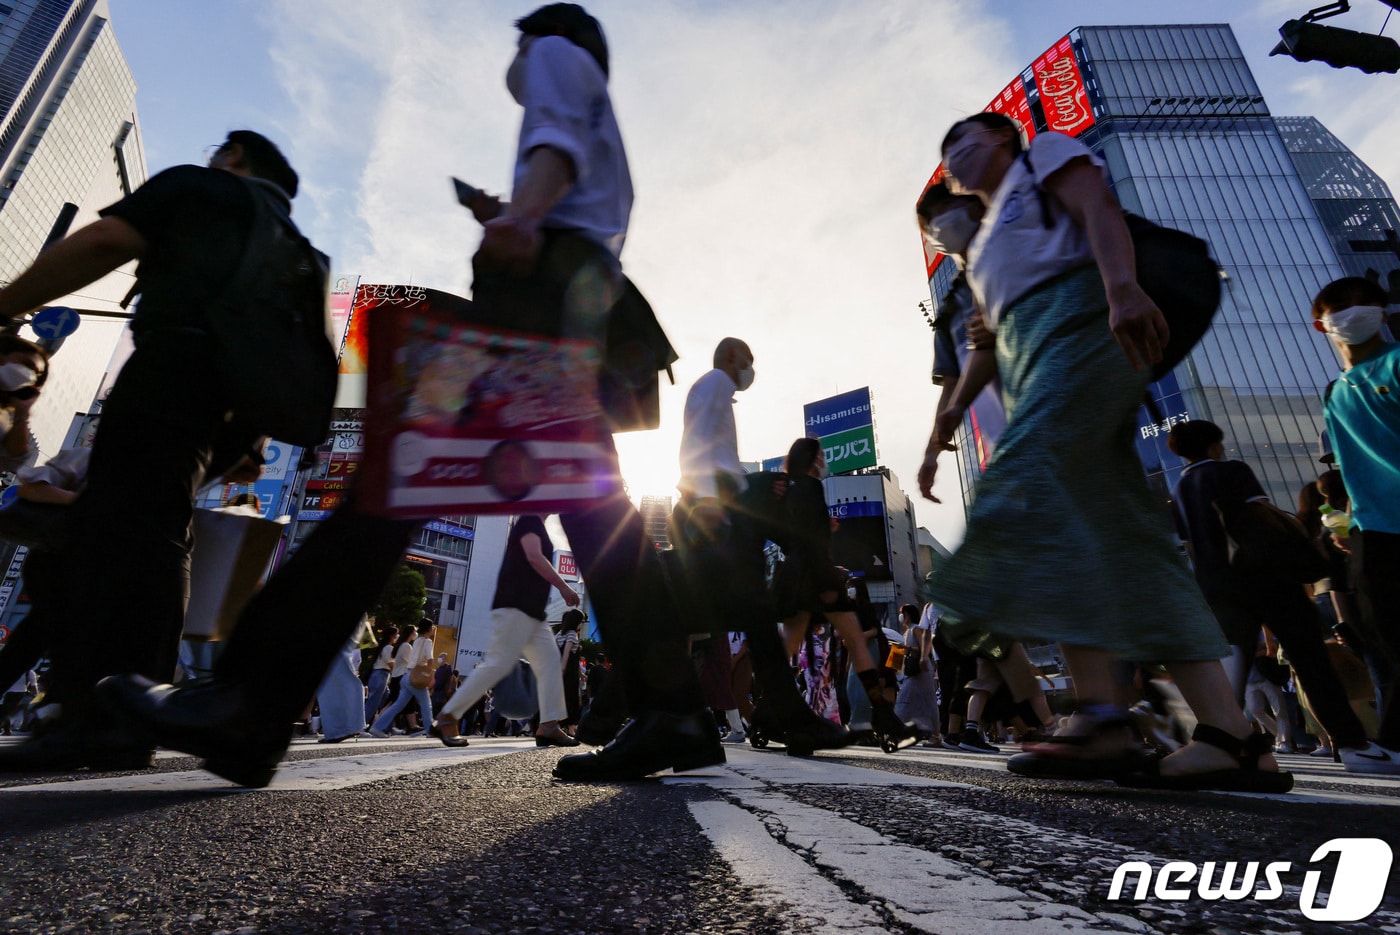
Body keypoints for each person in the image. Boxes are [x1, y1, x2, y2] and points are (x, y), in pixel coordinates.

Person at [97, 6, 707, 788]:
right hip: (574, 300)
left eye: (518, 39)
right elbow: (575, 179)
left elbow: (552, 142)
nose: (516, 54)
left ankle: (252, 698)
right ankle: (672, 705)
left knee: (403, 464)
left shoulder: (557, 52)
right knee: (588, 496)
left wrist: (519, 217)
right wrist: (514, 208)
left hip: (535, 296)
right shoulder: (599, 104)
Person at [919, 112, 1288, 792]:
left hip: (1084, 332)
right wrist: (943, 428)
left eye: (960, 143)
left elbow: (1100, 209)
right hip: (1034, 365)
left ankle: (1102, 719)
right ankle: (1230, 735)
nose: (953, 160)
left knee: (1033, 489)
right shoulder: (983, 248)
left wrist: (1122, 288)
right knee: (1122, 542)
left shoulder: (1044, 158)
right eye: (946, 157)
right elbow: (983, 345)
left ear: (1002, 138)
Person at [0, 130, 297, 773]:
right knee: (157, 529)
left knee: (123, 528)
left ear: (236, 158)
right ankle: (124, 706)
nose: (216, 155)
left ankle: (102, 712)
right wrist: (254, 437)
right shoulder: (296, 246)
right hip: (238, 413)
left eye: (223, 149)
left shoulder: (204, 185)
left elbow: (107, 241)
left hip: (173, 366)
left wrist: (6, 304)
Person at [669, 337, 850, 755]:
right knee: (702, 616)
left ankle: (790, 718)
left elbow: (720, 459)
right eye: (749, 360)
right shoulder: (715, 381)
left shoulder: (718, 391)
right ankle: (626, 714)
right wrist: (713, 500)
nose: (751, 370)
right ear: (733, 357)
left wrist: (752, 487)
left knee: (734, 614)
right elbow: (698, 446)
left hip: (712, 507)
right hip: (707, 511)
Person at [1166, 418, 1373, 767]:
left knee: (1232, 670)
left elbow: (1189, 544)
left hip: (1221, 588)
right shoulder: (1230, 469)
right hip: (1269, 579)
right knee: (1311, 662)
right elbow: (1261, 511)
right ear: (1214, 445)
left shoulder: (1181, 488)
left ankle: (1222, 743)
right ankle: (1352, 746)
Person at [1308, 275, 1400, 773]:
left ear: (1383, 315)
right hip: (1372, 527)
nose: (1356, 312)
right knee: (1384, 635)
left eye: (1368, 304)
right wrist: (1345, 522)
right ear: (1320, 325)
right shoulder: (1336, 390)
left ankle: (1394, 743)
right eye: (1342, 307)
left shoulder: (1397, 362)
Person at [775, 437, 915, 744]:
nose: (824, 460)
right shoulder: (811, 488)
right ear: (812, 459)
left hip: (795, 574)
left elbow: (791, 537)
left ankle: (768, 711)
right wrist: (825, 571)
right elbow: (812, 538)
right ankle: (882, 712)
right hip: (817, 573)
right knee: (856, 642)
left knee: (789, 647)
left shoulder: (789, 491)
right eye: (821, 454)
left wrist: (825, 528)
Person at [432, 515, 581, 748]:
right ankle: (447, 717)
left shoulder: (535, 523)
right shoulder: (529, 520)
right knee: (499, 663)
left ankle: (549, 725)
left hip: (532, 611)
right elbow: (533, 556)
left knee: (550, 662)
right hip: (516, 606)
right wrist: (563, 586)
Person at [369, 623, 438, 737]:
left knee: (398, 704)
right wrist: (429, 674)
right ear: (429, 629)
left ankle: (377, 727)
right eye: (432, 628)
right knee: (426, 704)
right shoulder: (427, 641)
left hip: (406, 676)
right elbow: (430, 660)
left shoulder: (416, 642)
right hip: (415, 676)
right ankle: (430, 730)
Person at [893, 603, 940, 742]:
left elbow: (923, 648)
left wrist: (905, 647)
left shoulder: (916, 629)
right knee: (913, 700)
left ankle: (935, 734)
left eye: (902, 613)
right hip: (914, 671)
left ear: (908, 614)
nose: (901, 616)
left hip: (921, 670)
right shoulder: (908, 631)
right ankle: (904, 731)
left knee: (922, 700)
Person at [0, 334, 47, 473]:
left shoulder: (5, 417)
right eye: (27, 365)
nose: (31, 375)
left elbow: (13, 461)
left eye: (37, 375)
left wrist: (22, 413)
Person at [556, 609, 584, 733]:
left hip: (560, 669)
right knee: (572, 697)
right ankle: (571, 728)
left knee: (562, 697)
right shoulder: (572, 633)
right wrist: (564, 667)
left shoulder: (559, 634)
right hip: (568, 671)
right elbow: (567, 651)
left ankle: (560, 725)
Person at [364, 629, 399, 726]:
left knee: (386, 702)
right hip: (381, 675)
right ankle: (362, 725)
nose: (397, 636)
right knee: (373, 702)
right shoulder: (388, 648)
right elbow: (391, 664)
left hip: (381, 675)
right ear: (392, 636)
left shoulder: (384, 647)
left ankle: (388, 726)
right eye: (396, 634)